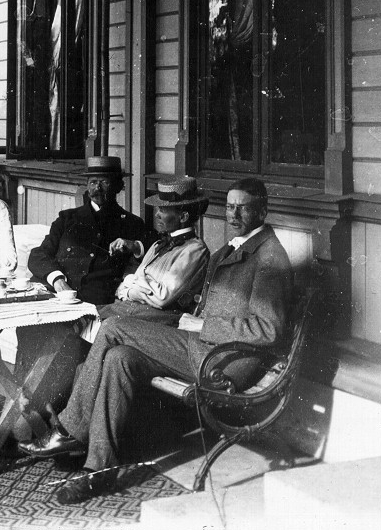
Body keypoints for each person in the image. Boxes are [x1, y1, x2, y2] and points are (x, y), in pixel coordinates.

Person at [19, 178, 293, 505]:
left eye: (242, 208)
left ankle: (69, 429)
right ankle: (97, 469)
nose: (233, 214)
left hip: (225, 361)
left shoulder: (269, 256)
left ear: (262, 211)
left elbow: (269, 329)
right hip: (201, 345)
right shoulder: (228, 249)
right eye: (230, 207)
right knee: (119, 357)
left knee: (113, 328)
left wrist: (204, 324)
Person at [28, 156, 155, 306]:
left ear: (118, 186)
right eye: (93, 182)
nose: (97, 188)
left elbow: (153, 248)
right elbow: (39, 254)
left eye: (104, 182)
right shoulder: (67, 218)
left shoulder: (131, 223)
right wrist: (57, 280)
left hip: (96, 301)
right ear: (87, 186)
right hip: (55, 293)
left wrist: (133, 245)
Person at [96, 176, 210, 325]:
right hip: (134, 309)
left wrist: (131, 283)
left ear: (183, 217)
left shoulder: (194, 251)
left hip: (159, 320)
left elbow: (162, 298)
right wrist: (135, 285)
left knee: (93, 322)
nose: (157, 215)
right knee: (84, 316)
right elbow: (130, 286)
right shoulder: (158, 244)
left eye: (162, 210)